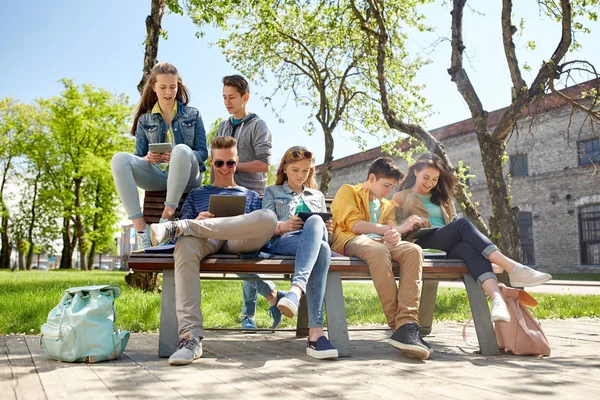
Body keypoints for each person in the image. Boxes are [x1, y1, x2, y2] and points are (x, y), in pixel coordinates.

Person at [149, 136, 278, 366]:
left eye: (231, 163)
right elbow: (185, 235)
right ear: (211, 162)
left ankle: (184, 225)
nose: (225, 169)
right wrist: (197, 220)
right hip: (205, 239)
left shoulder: (249, 195)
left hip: (238, 242)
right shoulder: (198, 194)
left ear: (237, 161)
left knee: (268, 217)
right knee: (185, 243)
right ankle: (189, 338)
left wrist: (238, 222)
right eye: (220, 163)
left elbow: (261, 226)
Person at [393, 152, 552, 323]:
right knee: (462, 224)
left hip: (447, 244)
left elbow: (452, 223)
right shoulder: (401, 197)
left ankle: (497, 300)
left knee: (468, 248)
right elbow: (394, 228)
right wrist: (412, 222)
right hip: (422, 243)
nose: (430, 183)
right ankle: (512, 268)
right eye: (426, 177)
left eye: (434, 179)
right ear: (416, 172)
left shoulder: (444, 199)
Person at [330, 157, 431, 360]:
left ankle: (408, 324)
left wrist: (396, 234)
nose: (388, 191)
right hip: (352, 240)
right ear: (372, 178)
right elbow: (355, 225)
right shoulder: (348, 191)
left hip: (382, 245)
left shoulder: (387, 205)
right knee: (378, 251)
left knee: (413, 251)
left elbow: (392, 231)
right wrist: (395, 229)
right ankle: (399, 327)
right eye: (386, 185)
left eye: (392, 187)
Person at [111, 62, 208, 250]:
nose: (168, 92)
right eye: (163, 87)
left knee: (180, 149)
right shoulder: (145, 119)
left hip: (188, 177)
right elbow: (138, 156)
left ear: (178, 86)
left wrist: (180, 156)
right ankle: (141, 230)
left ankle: (166, 218)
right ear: (154, 87)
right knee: (119, 159)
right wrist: (147, 159)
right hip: (157, 176)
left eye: (173, 87)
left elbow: (203, 153)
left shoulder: (193, 114)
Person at [215, 74, 283, 330]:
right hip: (224, 196)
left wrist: (232, 164)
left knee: (243, 254)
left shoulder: (258, 126)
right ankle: (272, 296)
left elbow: (264, 164)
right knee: (229, 252)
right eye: (224, 97)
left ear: (245, 97)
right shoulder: (223, 127)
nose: (227, 102)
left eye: (232, 97)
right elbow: (216, 161)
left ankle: (249, 315)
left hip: (252, 198)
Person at [262, 146, 338, 359]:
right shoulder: (272, 192)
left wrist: (328, 230)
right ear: (285, 168)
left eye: (305, 171)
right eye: (295, 170)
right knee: (320, 246)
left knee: (319, 233)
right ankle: (316, 334)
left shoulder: (317, 195)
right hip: (285, 243)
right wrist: (284, 225)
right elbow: (266, 226)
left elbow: (326, 240)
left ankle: (296, 292)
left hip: (314, 245)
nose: (300, 175)